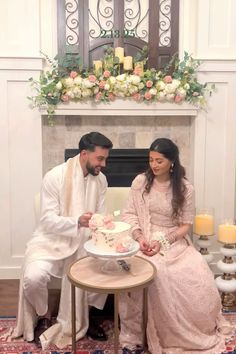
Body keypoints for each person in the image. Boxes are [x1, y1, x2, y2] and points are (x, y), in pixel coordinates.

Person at [119, 138, 231, 354]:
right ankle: (140, 333)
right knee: (153, 272)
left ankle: (187, 332)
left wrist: (162, 242)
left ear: (172, 161)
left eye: (159, 161)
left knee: (194, 271)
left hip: (173, 240)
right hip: (144, 236)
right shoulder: (140, 182)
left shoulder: (185, 188)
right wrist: (140, 236)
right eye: (151, 160)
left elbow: (184, 226)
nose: (154, 165)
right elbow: (130, 214)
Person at [13, 132, 113, 349]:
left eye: (105, 159)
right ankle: (43, 312)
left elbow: (100, 213)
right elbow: (47, 221)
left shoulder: (101, 180)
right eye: (100, 159)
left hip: (85, 240)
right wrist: (76, 221)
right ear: (84, 154)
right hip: (51, 241)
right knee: (33, 278)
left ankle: (86, 316)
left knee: (108, 266)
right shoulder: (54, 176)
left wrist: (102, 224)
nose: (103, 164)